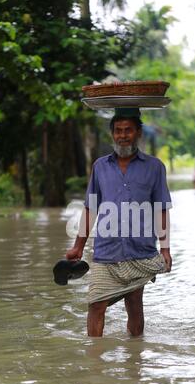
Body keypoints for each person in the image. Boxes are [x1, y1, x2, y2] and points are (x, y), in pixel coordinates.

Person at [65, 107, 172, 337]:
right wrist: (78, 247)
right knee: (95, 305)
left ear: (138, 133)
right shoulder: (100, 167)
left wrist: (165, 248)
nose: (123, 135)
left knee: (134, 306)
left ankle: (135, 361)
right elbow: (90, 209)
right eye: (118, 131)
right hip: (106, 252)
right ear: (112, 134)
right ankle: (95, 363)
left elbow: (161, 209)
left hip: (139, 251)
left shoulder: (155, 167)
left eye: (128, 130)